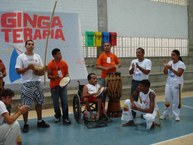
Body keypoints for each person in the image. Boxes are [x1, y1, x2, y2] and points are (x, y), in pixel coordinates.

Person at [15, 40, 49, 133]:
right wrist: (27, 68)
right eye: (29, 44)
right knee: (26, 105)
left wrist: (44, 70)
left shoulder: (37, 56)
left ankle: (40, 121)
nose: (31, 45)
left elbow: (41, 71)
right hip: (27, 83)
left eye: (32, 44)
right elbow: (17, 71)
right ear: (25, 46)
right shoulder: (21, 57)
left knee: (39, 103)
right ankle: (25, 123)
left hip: (37, 82)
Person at [160, 49, 186, 121]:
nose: (172, 56)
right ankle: (166, 113)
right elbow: (165, 72)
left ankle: (176, 115)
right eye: (171, 55)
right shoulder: (170, 62)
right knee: (167, 99)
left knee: (176, 100)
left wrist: (171, 68)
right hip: (169, 83)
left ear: (178, 56)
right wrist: (165, 66)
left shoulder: (181, 64)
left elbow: (179, 74)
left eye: (174, 55)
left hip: (177, 84)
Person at [47, 48, 71, 125]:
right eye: (58, 54)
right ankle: (57, 116)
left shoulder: (64, 63)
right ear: (54, 55)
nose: (60, 55)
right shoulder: (50, 64)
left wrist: (67, 79)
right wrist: (54, 77)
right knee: (56, 103)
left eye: (60, 53)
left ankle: (66, 117)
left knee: (65, 102)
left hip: (63, 86)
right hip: (54, 86)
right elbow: (49, 76)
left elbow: (67, 74)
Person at [129, 47, 152, 118]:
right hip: (135, 81)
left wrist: (139, 67)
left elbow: (147, 72)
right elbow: (130, 73)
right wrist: (133, 68)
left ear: (143, 53)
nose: (137, 54)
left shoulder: (147, 61)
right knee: (134, 97)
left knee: (144, 99)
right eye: (136, 52)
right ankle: (133, 113)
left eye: (139, 52)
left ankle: (144, 114)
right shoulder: (133, 61)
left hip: (143, 83)